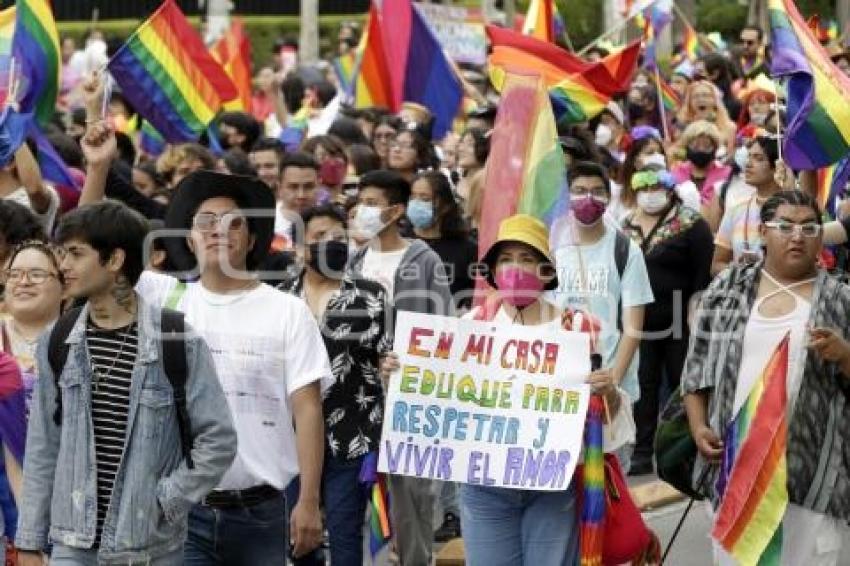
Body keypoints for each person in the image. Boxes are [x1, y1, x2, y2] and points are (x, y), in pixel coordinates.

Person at [15, 201, 237, 565]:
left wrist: (167, 498)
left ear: (115, 260)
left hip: (148, 546)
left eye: (75, 253)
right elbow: (43, 445)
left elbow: (219, 439)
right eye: (61, 253)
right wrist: (29, 540)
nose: (63, 265)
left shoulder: (176, 340)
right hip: (72, 543)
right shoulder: (59, 340)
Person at [129, 168, 332, 565]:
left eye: (233, 223)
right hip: (180, 512)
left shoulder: (287, 311)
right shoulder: (163, 297)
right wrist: (99, 167)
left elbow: (307, 409)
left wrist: (309, 502)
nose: (218, 230)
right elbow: (89, 244)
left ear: (252, 239)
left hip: (262, 514)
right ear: (190, 237)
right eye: (205, 221)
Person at [437, 214, 634, 565]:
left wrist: (609, 392)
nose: (516, 268)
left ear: (546, 271)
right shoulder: (471, 328)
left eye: (527, 259)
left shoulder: (580, 329)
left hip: (554, 486)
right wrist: (402, 373)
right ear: (493, 270)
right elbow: (440, 396)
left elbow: (608, 423)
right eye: (506, 259)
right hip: (485, 487)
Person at [683, 190, 850, 565]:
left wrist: (844, 355)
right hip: (739, 476)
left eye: (809, 227)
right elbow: (695, 372)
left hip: (810, 482)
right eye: (785, 226)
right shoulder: (728, 291)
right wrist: (698, 427)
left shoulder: (840, 300)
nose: (797, 236)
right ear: (762, 232)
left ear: (820, 237)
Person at [348, 170, 453, 565]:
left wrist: (413, 364)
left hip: (410, 393)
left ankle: (415, 558)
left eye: (372, 203)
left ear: (395, 210)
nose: (363, 210)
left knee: (411, 493)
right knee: (367, 488)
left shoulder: (424, 260)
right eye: (361, 202)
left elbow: (445, 329)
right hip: (363, 396)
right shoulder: (356, 261)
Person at [278, 205, 391, 566]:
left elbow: (388, 358)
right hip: (288, 440)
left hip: (353, 435)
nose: (330, 244)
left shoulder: (372, 296)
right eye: (319, 238)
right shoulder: (279, 299)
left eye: (338, 237)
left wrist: (391, 367)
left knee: (345, 536)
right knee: (297, 538)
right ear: (298, 248)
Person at [549, 161, 654, 471]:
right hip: (562, 385)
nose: (588, 199)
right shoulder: (552, 249)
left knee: (608, 485)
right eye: (579, 191)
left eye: (597, 191)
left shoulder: (625, 249)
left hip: (610, 386)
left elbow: (634, 326)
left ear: (609, 198)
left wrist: (613, 384)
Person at [620, 169, 713, 475]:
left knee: (682, 383)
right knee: (644, 386)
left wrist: (696, 310)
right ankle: (643, 451)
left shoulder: (691, 224)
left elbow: (703, 272)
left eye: (657, 186)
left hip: (680, 318)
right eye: (643, 187)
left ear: (670, 189)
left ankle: (685, 449)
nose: (650, 193)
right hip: (640, 321)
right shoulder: (625, 226)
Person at [0, 241, 64, 550]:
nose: (23, 281)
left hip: (64, 496)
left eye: (37, 274)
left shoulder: (82, 341)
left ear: (65, 288)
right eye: (14, 274)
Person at [711, 136, 782, 275]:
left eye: (758, 158)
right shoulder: (736, 210)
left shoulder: (795, 210)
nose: (748, 164)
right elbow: (716, 266)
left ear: (777, 166)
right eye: (749, 157)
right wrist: (739, 269)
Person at [408, 171, 477, 310]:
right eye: (413, 197)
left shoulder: (467, 250)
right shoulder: (400, 242)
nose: (416, 203)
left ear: (445, 206)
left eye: (425, 198)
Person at [671, 120, 732, 211]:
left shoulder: (727, 174)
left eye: (707, 146)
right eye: (695, 146)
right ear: (687, 147)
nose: (701, 150)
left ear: (715, 148)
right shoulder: (676, 173)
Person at [675, 81, 737, 158]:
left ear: (715, 101)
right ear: (690, 103)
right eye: (695, 96)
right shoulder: (683, 128)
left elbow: (729, 158)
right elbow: (675, 155)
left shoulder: (729, 127)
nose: (700, 99)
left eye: (706, 95)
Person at [276, 152, 321, 250]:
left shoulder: (332, 222)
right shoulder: (263, 225)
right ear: (279, 188)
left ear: (319, 186)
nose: (301, 195)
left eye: (309, 187)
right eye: (293, 187)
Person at [455, 128, 490, 210]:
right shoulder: (453, 182)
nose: (461, 149)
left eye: (470, 145)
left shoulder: (489, 189)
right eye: (461, 143)